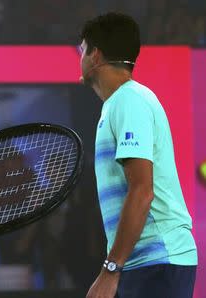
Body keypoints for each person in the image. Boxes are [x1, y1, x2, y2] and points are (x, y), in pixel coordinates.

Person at [78, 12, 197, 298]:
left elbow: (142, 190)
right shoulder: (117, 104)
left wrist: (110, 269)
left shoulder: (129, 100)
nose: (79, 58)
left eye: (81, 50)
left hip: (159, 262)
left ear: (95, 56)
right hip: (141, 264)